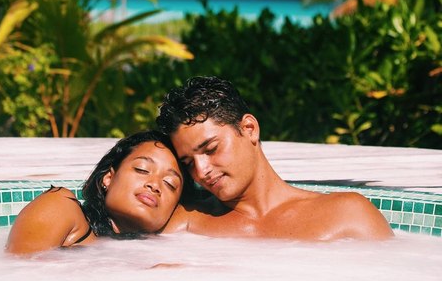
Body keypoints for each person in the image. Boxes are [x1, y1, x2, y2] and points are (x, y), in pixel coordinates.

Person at [156, 76, 394, 240]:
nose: (201, 171)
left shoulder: (347, 215)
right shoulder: (186, 224)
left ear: (249, 129)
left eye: (210, 149)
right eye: (188, 162)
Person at [5, 130, 192, 254]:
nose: (155, 185)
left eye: (170, 183)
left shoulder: (156, 253)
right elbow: (19, 277)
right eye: (142, 170)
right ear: (108, 178)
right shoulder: (60, 206)